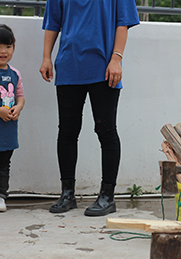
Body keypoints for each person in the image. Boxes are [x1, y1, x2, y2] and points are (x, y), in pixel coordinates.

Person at [39, 0, 140, 217]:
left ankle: (107, 196)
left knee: (106, 131)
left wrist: (116, 59)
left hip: (104, 68)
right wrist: (46, 57)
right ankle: (67, 193)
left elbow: (123, 23)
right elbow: (53, 22)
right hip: (68, 65)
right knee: (67, 131)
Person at [0, 24, 25, 212]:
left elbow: (21, 96)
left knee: (3, 165)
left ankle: (1, 196)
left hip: (7, 131)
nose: (3, 51)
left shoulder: (15, 74)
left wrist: (18, 107)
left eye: (8, 46)